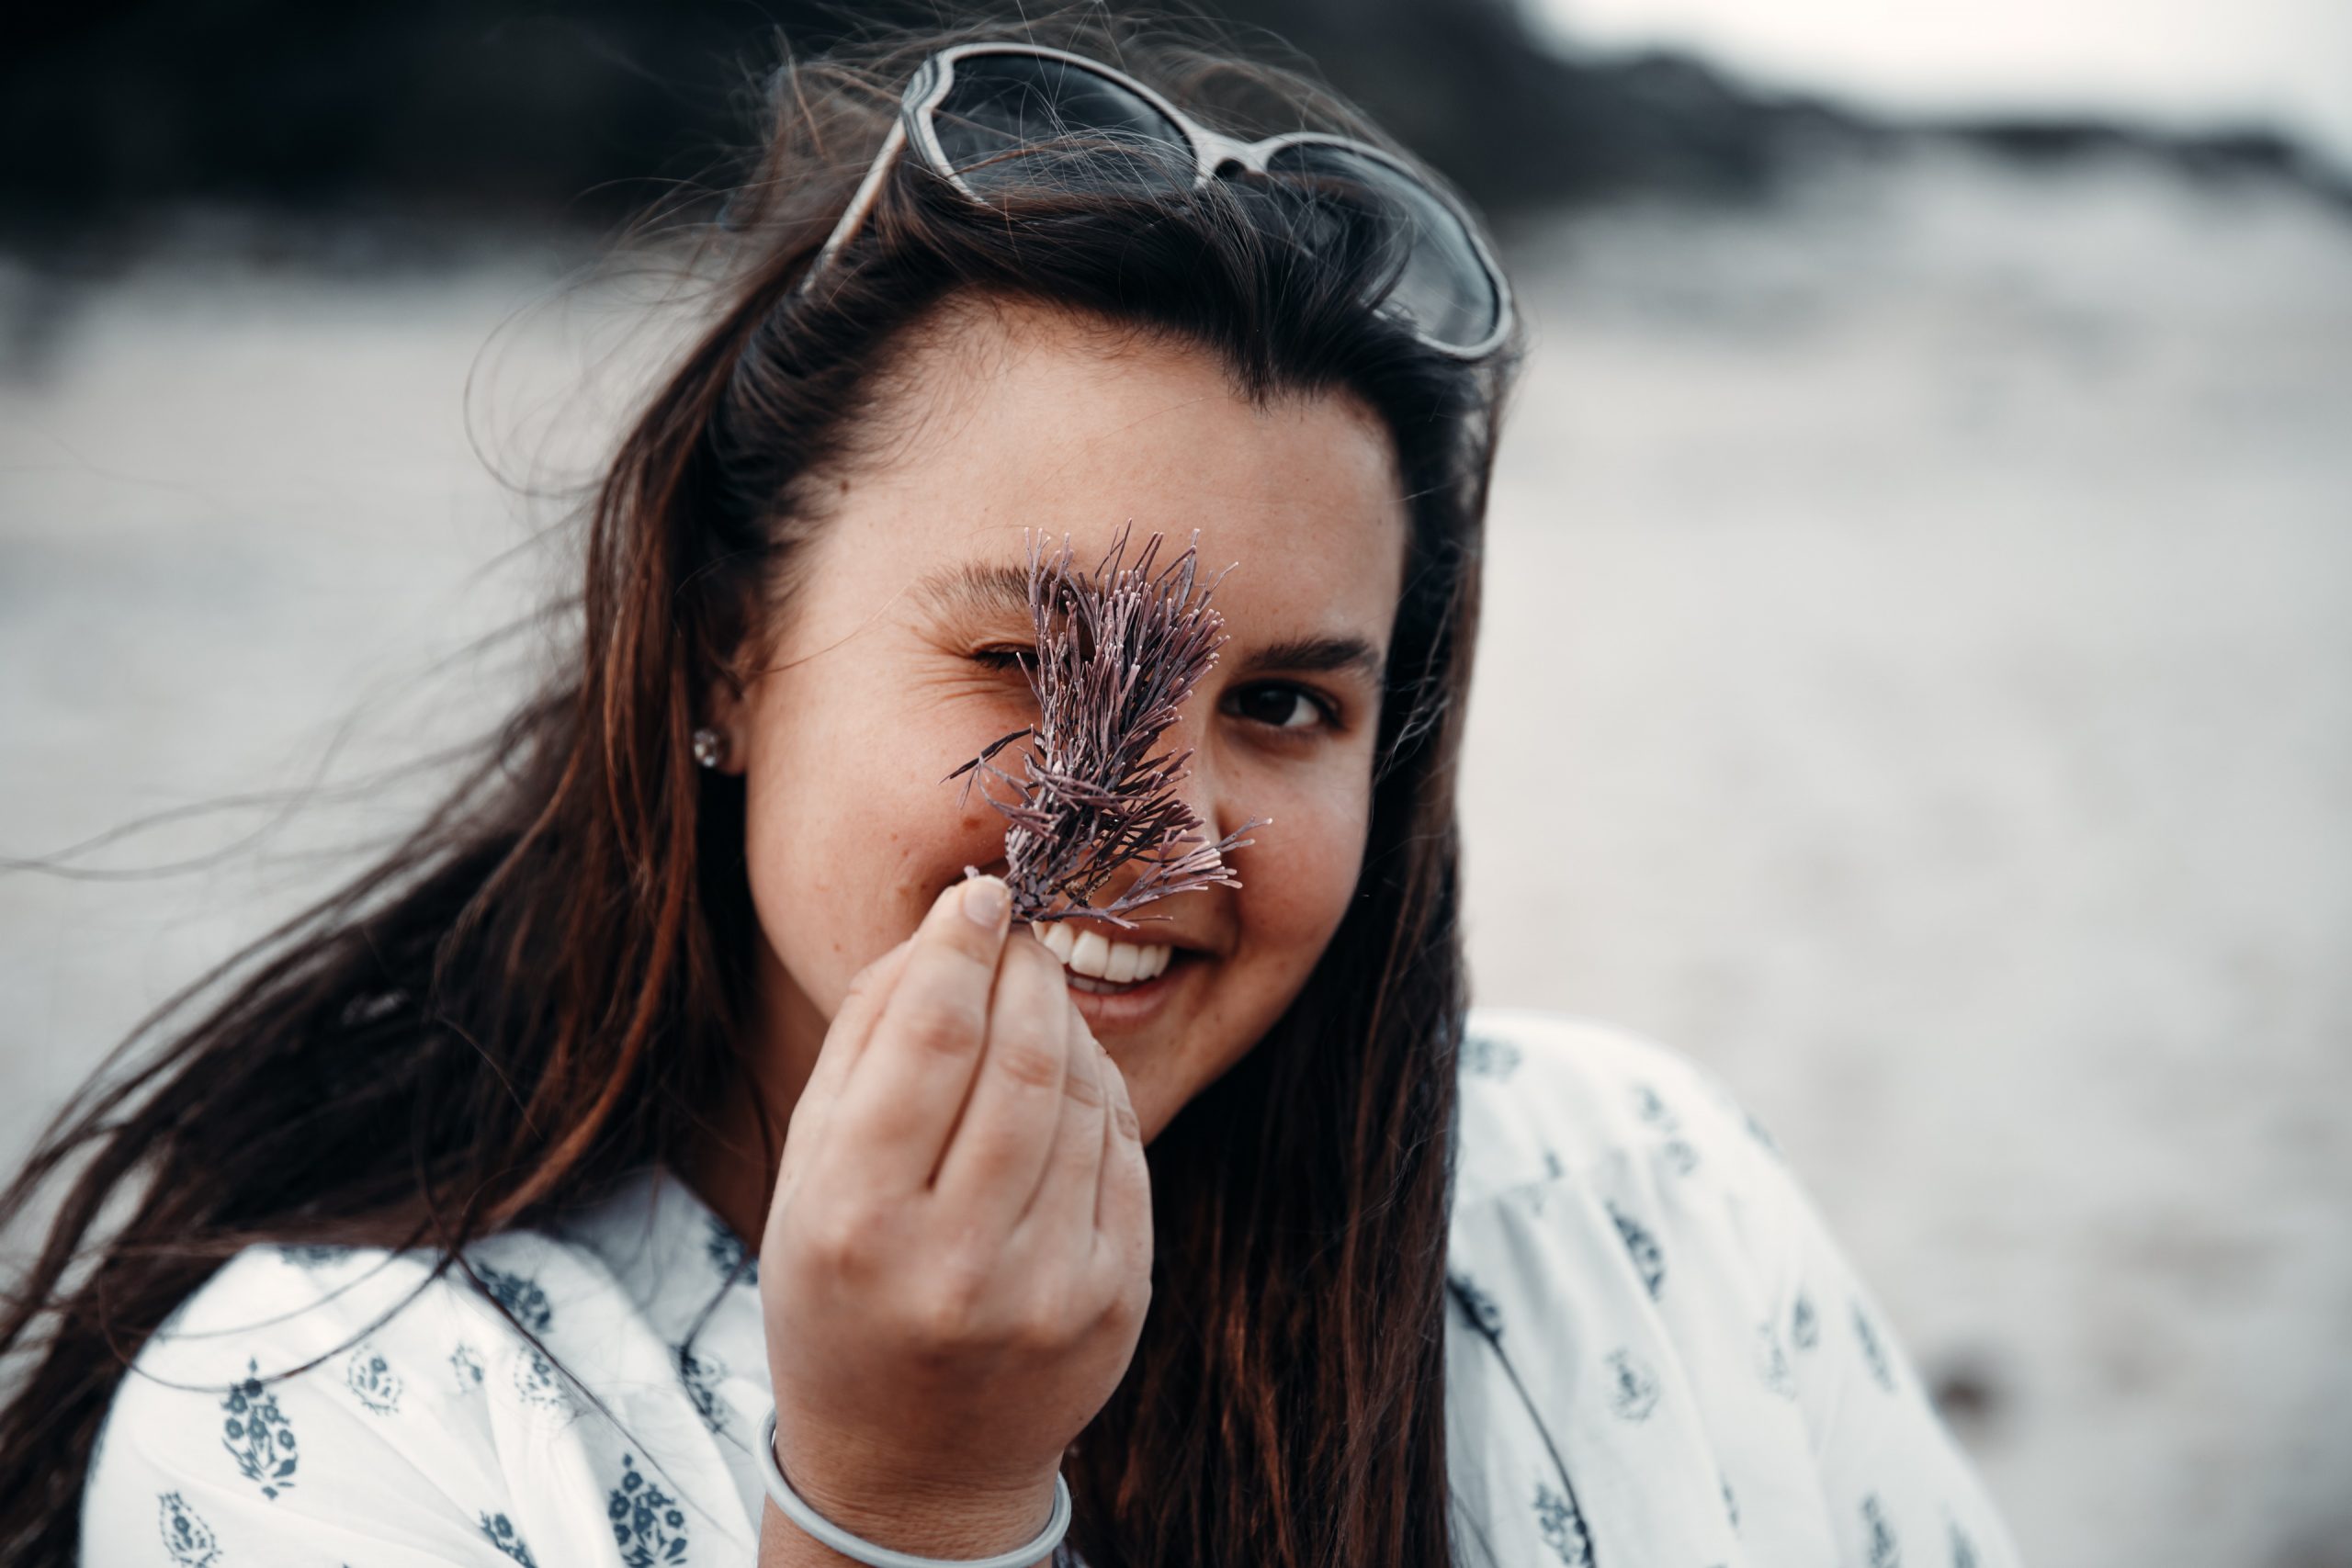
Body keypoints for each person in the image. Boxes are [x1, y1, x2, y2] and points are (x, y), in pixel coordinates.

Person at [0, 10, 2022, 1568]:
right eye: (1023, 664)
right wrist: (904, 1495)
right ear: (723, 649)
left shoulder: (1631, 1195)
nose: (1149, 819)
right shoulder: (345, 1407)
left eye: (1289, 707)